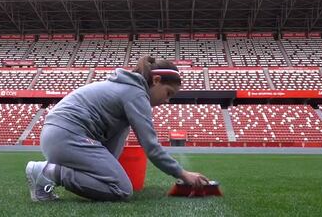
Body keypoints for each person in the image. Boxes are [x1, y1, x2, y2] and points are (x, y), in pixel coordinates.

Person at [26, 56, 209, 202]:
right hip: (67, 136)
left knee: (116, 181)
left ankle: (46, 179)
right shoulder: (136, 94)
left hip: (59, 136)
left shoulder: (125, 90)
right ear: (156, 80)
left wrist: (109, 171)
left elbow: (112, 146)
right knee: (121, 189)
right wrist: (183, 174)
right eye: (168, 93)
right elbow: (151, 148)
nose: (167, 100)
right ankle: (48, 172)